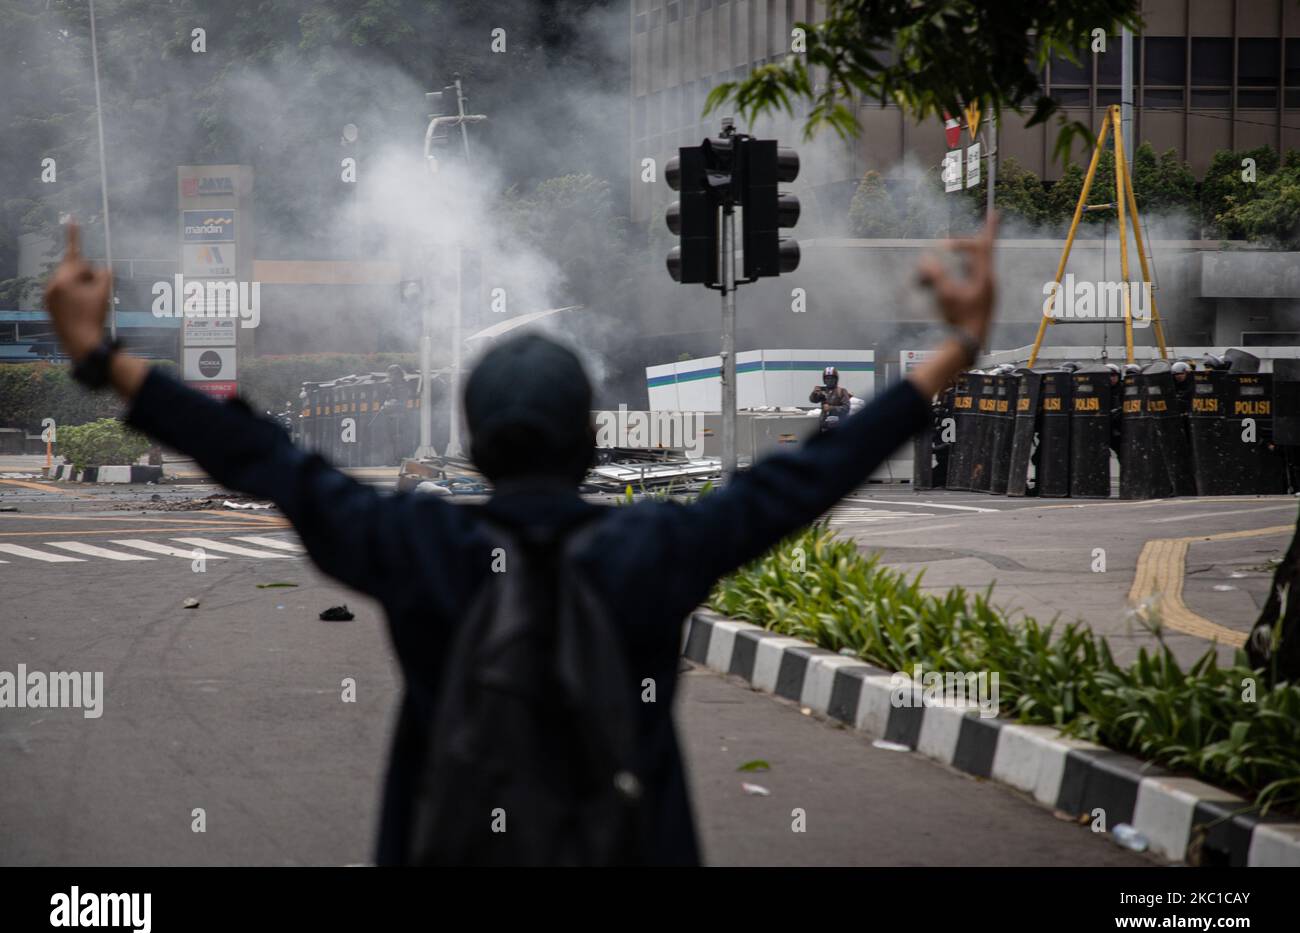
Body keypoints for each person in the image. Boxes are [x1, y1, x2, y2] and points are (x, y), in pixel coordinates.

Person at [43, 215, 999, 865]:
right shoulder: (653, 550)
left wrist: (102, 357)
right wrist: (952, 352)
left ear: (475, 440)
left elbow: (263, 457)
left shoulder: (417, 543)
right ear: (590, 441)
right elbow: (803, 479)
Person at [809, 366, 853, 432]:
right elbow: (813, 400)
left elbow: (846, 408)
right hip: (824, 426)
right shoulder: (823, 391)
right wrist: (814, 393)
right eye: (827, 378)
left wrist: (831, 408)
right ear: (824, 380)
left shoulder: (841, 391)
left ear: (836, 379)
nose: (829, 380)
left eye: (832, 378)